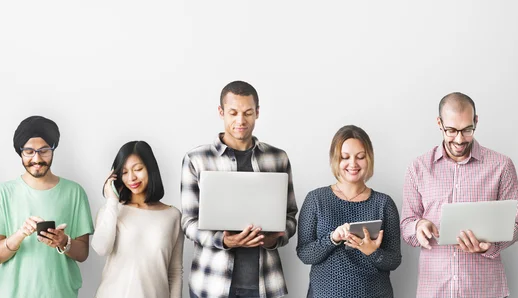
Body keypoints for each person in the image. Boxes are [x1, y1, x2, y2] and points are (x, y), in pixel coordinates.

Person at [181, 80, 298, 298]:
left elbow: (290, 216)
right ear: (221, 112)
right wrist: (223, 241)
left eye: (248, 113)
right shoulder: (196, 159)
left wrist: (275, 239)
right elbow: (188, 223)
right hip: (211, 284)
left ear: (257, 113)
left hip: (264, 284)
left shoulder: (278, 158)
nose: (240, 121)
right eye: (233, 112)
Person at [400, 92, 518, 297]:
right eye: (451, 130)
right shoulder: (418, 167)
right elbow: (406, 226)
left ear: (476, 121)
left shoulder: (501, 165)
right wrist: (418, 226)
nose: (459, 139)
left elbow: (517, 226)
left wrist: (490, 247)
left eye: (467, 130)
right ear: (439, 123)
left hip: (484, 290)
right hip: (434, 290)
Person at [296, 125, 401, 298]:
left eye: (360, 157)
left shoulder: (384, 203)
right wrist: (333, 238)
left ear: (369, 159)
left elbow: (394, 260)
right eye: (345, 157)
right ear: (334, 159)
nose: (353, 164)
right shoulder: (316, 199)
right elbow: (305, 254)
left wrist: (372, 251)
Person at [0, 115, 94, 298]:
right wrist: (20, 234)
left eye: (44, 150)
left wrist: (63, 242)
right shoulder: (4, 193)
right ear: (20, 152)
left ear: (53, 149)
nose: (37, 158)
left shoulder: (74, 192)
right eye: (29, 151)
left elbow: (82, 254)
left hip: (61, 293)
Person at [92, 140, 183, 298]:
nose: (131, 178)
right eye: (124, 172)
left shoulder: (172, 216)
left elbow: (174, 273)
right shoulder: (111, 210)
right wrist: (112, 201)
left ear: (150, 169)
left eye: (138, 169)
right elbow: (101, 248)